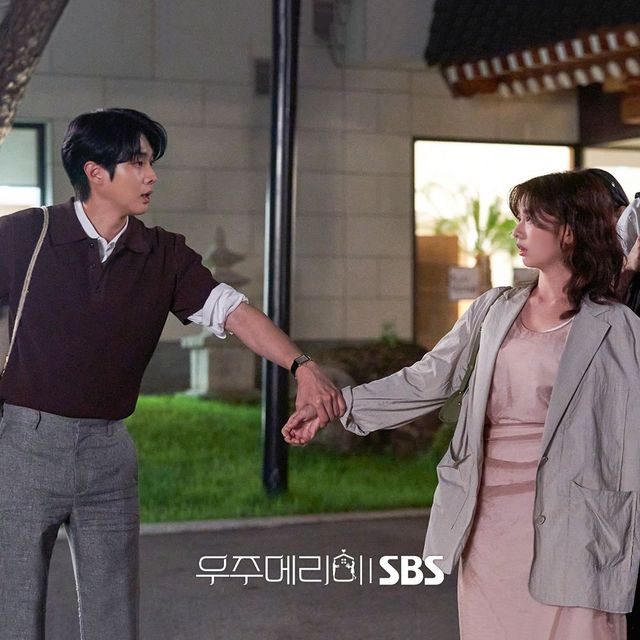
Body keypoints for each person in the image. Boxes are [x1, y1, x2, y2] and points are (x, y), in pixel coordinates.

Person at [0, 107, 346, 640]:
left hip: (109, 451)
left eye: (151, 162)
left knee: (115, 619)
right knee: (14, 613)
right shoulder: (27, 234)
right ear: (95, 172)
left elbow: (233, 312)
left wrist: (302, 366)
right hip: (25, 447)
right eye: (137, 163)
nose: (151, 175)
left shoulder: (162, 253)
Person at [283, 170, 640, 639]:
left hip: (576, 522)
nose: (516, 231)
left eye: (531, 219)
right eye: (517, 218)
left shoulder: (617, 327)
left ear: (570, 231)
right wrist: (338, 404)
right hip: (488, 514)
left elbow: (627, 437)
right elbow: (428, 379)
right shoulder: (494, 309)